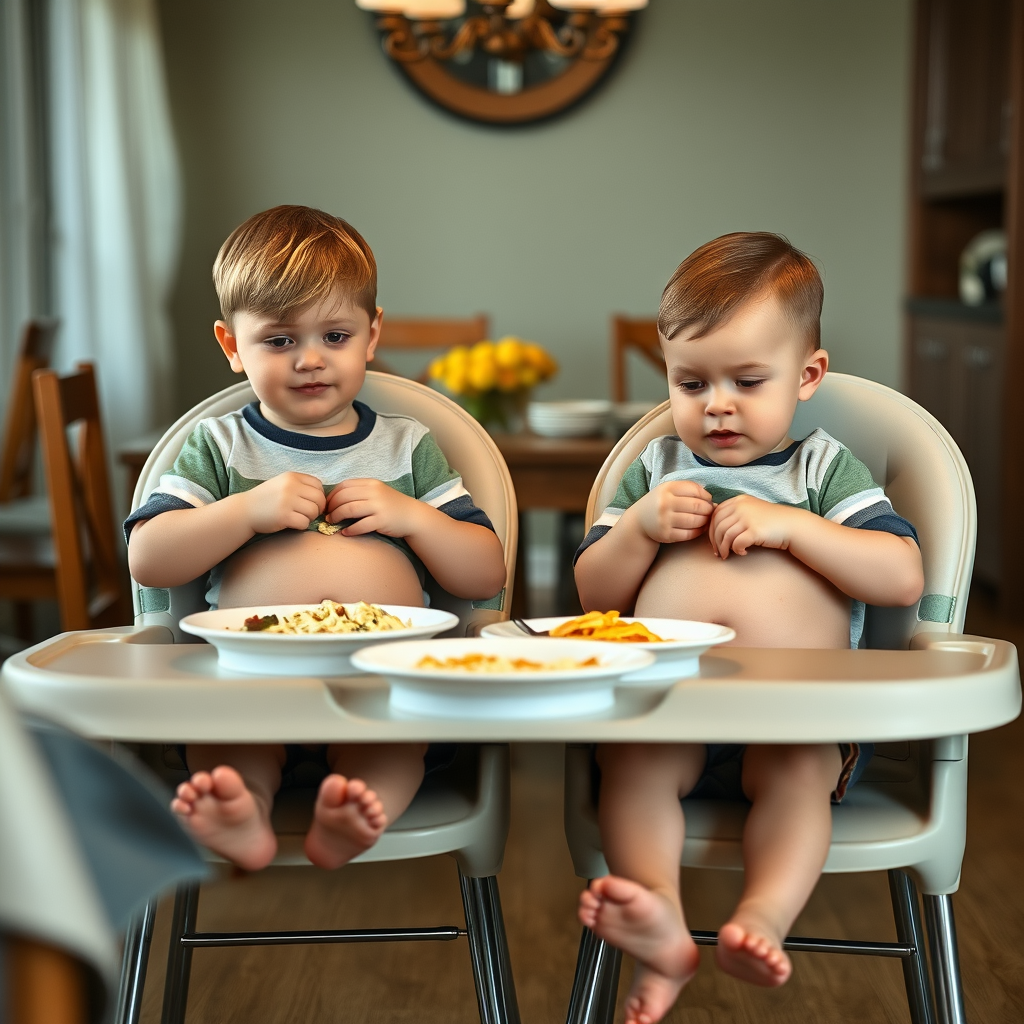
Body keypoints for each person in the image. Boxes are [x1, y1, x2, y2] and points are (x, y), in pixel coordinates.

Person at [573, 233, 925, 1024]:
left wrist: (795, 529)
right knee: (631, 768)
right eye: (691, 382)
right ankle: (659, 918)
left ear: (807, 376)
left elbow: (901, 574)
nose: (718, 404)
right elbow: (593, 594)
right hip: (670, 713)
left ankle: (764, 915)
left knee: (796, 776)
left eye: (748, 380)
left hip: (795, 717)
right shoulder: (655, 469)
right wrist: (639, 529)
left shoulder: (820, 469)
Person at [126, 206, 507, 872]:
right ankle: (242, 810)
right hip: (249, 683)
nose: (309, 359)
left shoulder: (408, 446)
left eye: (335, 335)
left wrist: (414, 516)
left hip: (382, 685)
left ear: (371, 334)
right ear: (231, 346)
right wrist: (244, 511)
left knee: (391, 748)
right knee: (226, 746)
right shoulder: (219, 445)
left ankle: (357, 811)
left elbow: (484, 575)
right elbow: (149, 560)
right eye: (278, 340)